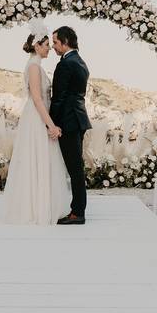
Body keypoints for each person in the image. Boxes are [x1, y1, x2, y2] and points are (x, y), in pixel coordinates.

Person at [1, 23, 72, 224]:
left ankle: (41, 205)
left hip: (39, 115)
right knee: (37, 158)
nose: (50, 47)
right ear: (37, 45)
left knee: (42, 161)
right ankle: (35, 209)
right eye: (47, 44)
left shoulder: (36, 65)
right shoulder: (33, 67)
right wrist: (51, 125)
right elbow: (38, 99)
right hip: (37, 118)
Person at [49, 26, 92, 225]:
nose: (53, 46)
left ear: (65, 41)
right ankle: (78, 209)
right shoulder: (80, 62)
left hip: (68, 121)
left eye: (56, 42)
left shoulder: (65, 64)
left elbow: (59, 98)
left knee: (75, 169)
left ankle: (77, 213)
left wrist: (50, 123)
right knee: (77, 167)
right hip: (78, 119)